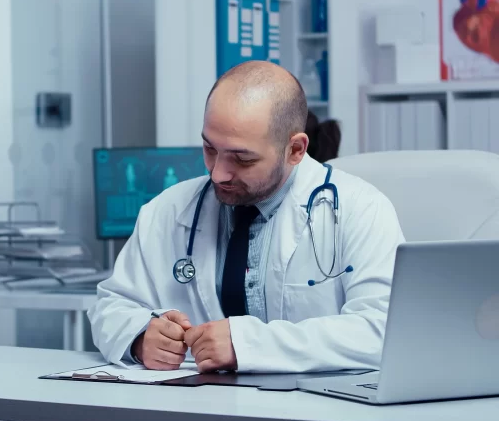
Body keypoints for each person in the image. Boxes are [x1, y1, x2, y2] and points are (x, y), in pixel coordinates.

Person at [88, 61, 405, 374]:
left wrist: (249, 345)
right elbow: (111, 306)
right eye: (210, 148)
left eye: (242, 158)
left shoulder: (361, 209)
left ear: (295, 149)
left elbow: (382, 330)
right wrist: (140, 336)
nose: (217, 173)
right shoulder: (168, 209)